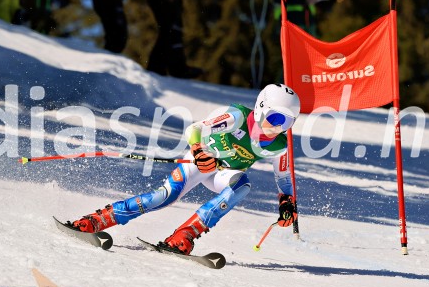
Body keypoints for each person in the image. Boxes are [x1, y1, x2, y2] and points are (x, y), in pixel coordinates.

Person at [66, 84, 302, 255]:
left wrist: (287, 204)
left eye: (287, 122)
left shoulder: (279, 146)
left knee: (242, 185)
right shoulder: (237, 117)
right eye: (276, 117)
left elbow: (284, 180)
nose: (278, 127)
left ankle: (184, 235)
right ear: (261, 108)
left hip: (223, 173)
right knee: (164, 197)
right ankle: (98, 220)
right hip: (198, 161)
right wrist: (199, 152)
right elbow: (195, 129)